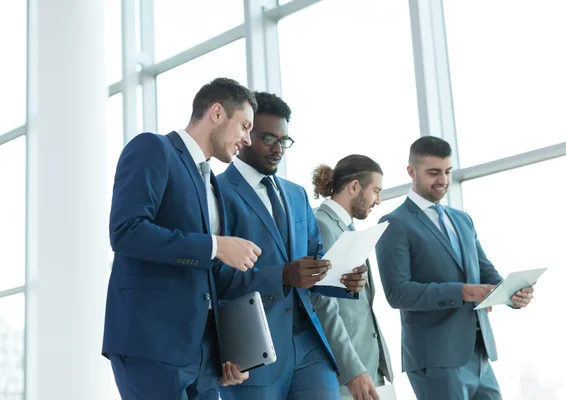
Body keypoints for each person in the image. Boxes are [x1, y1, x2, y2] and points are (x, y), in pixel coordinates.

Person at [102, 77, 263, 400]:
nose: (247, 139)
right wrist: (216, 246)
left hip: (203, 354)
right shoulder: (153, 148)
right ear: (216, 113)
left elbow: (210, 272)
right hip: (152, 343)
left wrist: (229, 350)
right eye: (244, 126)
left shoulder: (213, 183)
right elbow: (126, 231)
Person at [215, 91, 367, 400]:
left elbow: (315, 260)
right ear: (245, 134)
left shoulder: (296, 195)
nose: (278, 149)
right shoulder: (217, 192)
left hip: (310, 346)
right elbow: (213, 277)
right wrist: (282, 275)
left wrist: (342, 280)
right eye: (268, 138)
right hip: (254, 349)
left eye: (284, 141)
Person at [375, 136, 534, 400]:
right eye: (434, 172)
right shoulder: (395, 223)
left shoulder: (462, 220)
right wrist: (463, 292)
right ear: (411, 172)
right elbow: (397, 293)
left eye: (448, 172)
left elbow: (486, 273)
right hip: (435, 358)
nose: (443, 180)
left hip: (479, 353)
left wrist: (513, 294)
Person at [310, 155, 394, 400]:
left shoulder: (348, 228)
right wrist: (352, 369)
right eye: (375, 191)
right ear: (354, 187)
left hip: (368, 367)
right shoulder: (322, 225)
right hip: (346, 373)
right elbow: (324, 305)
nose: (378, 200)